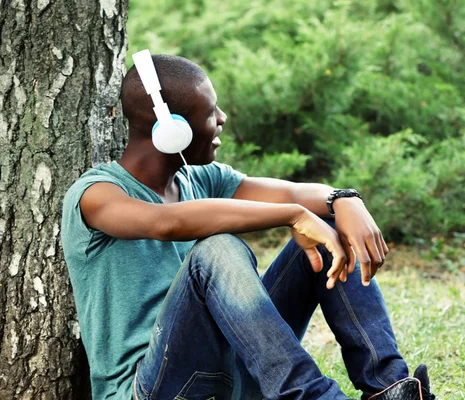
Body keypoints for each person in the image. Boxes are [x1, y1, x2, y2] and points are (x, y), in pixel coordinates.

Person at [61, 53, 436, 400]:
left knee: (325, 221)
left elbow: (292, 192)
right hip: (152, 387)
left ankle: (389, 387)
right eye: (210, 112)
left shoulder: (201, 179)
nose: (222, 117)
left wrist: (343, 200)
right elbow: (165, 223)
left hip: (234, 375)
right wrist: (293, 215)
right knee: (217, 249)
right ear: (170, 131)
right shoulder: (95, 196)